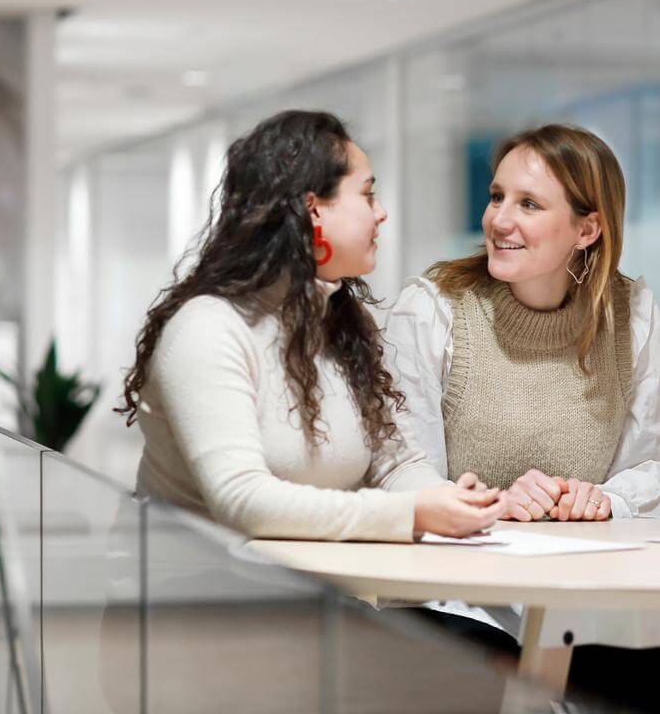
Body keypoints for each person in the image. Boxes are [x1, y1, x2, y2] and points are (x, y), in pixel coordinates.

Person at [382, 123, 660, 714]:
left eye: (529, 204)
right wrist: (491, 505)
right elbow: (400, 472)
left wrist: (602, 499)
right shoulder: (432, 309)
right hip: (454, 601)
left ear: (587, 229)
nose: (500, 219)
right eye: (496, 196)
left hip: (575, 605)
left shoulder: (631, 315)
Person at [118, 109, 503, 541]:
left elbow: (396, 463)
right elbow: (241, 500)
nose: (381, 213)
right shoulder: (207, 329)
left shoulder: (344, 320)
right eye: (367, 195)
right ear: (312, 209)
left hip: (305, 579)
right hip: (195, 582)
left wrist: (450, 501)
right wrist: (410, 513)